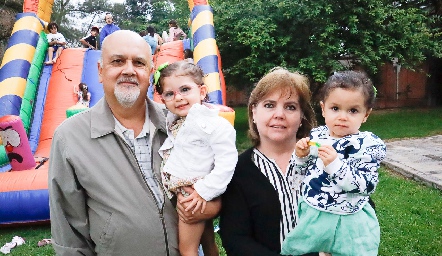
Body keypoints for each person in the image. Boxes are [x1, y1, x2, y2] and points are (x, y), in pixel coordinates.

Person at [48, 30, 221, 255]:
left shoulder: (182, 125)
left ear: (149, 73)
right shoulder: (71, 138)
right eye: (118, 61)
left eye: (138, 63)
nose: (128, 70)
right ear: (100, 71)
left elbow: (217, 181)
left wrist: (211, 207)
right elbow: (69, 234)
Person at [281, 71, 386, 256]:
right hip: (315, 213)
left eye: (353, 110)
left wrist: (336, 166)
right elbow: (297, 178)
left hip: (349, 219)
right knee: (301, 250)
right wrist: (300, 157)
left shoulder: (367, 145)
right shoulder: (317, 137)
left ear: (366, 115)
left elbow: (367, 185)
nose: (342, 117)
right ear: (323, 109)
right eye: (335, 108)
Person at [219, 67, 319, 256]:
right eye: (269, 105)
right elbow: (235, 239)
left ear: (301, 117)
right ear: (254, 112)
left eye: (290, 107)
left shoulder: (322, 161)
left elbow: (355, 209)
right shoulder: (237, 170)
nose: (279, 114)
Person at [155, 60, 238, 256]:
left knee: (187, 249)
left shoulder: (213, 124)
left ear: (201, 92)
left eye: (185, 89)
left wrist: (203, 191)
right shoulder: (178, 121)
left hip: (191, 195)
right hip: (188, 191)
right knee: (208, 241)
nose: (178, 98)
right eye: (170, 94)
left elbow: (227, 162)